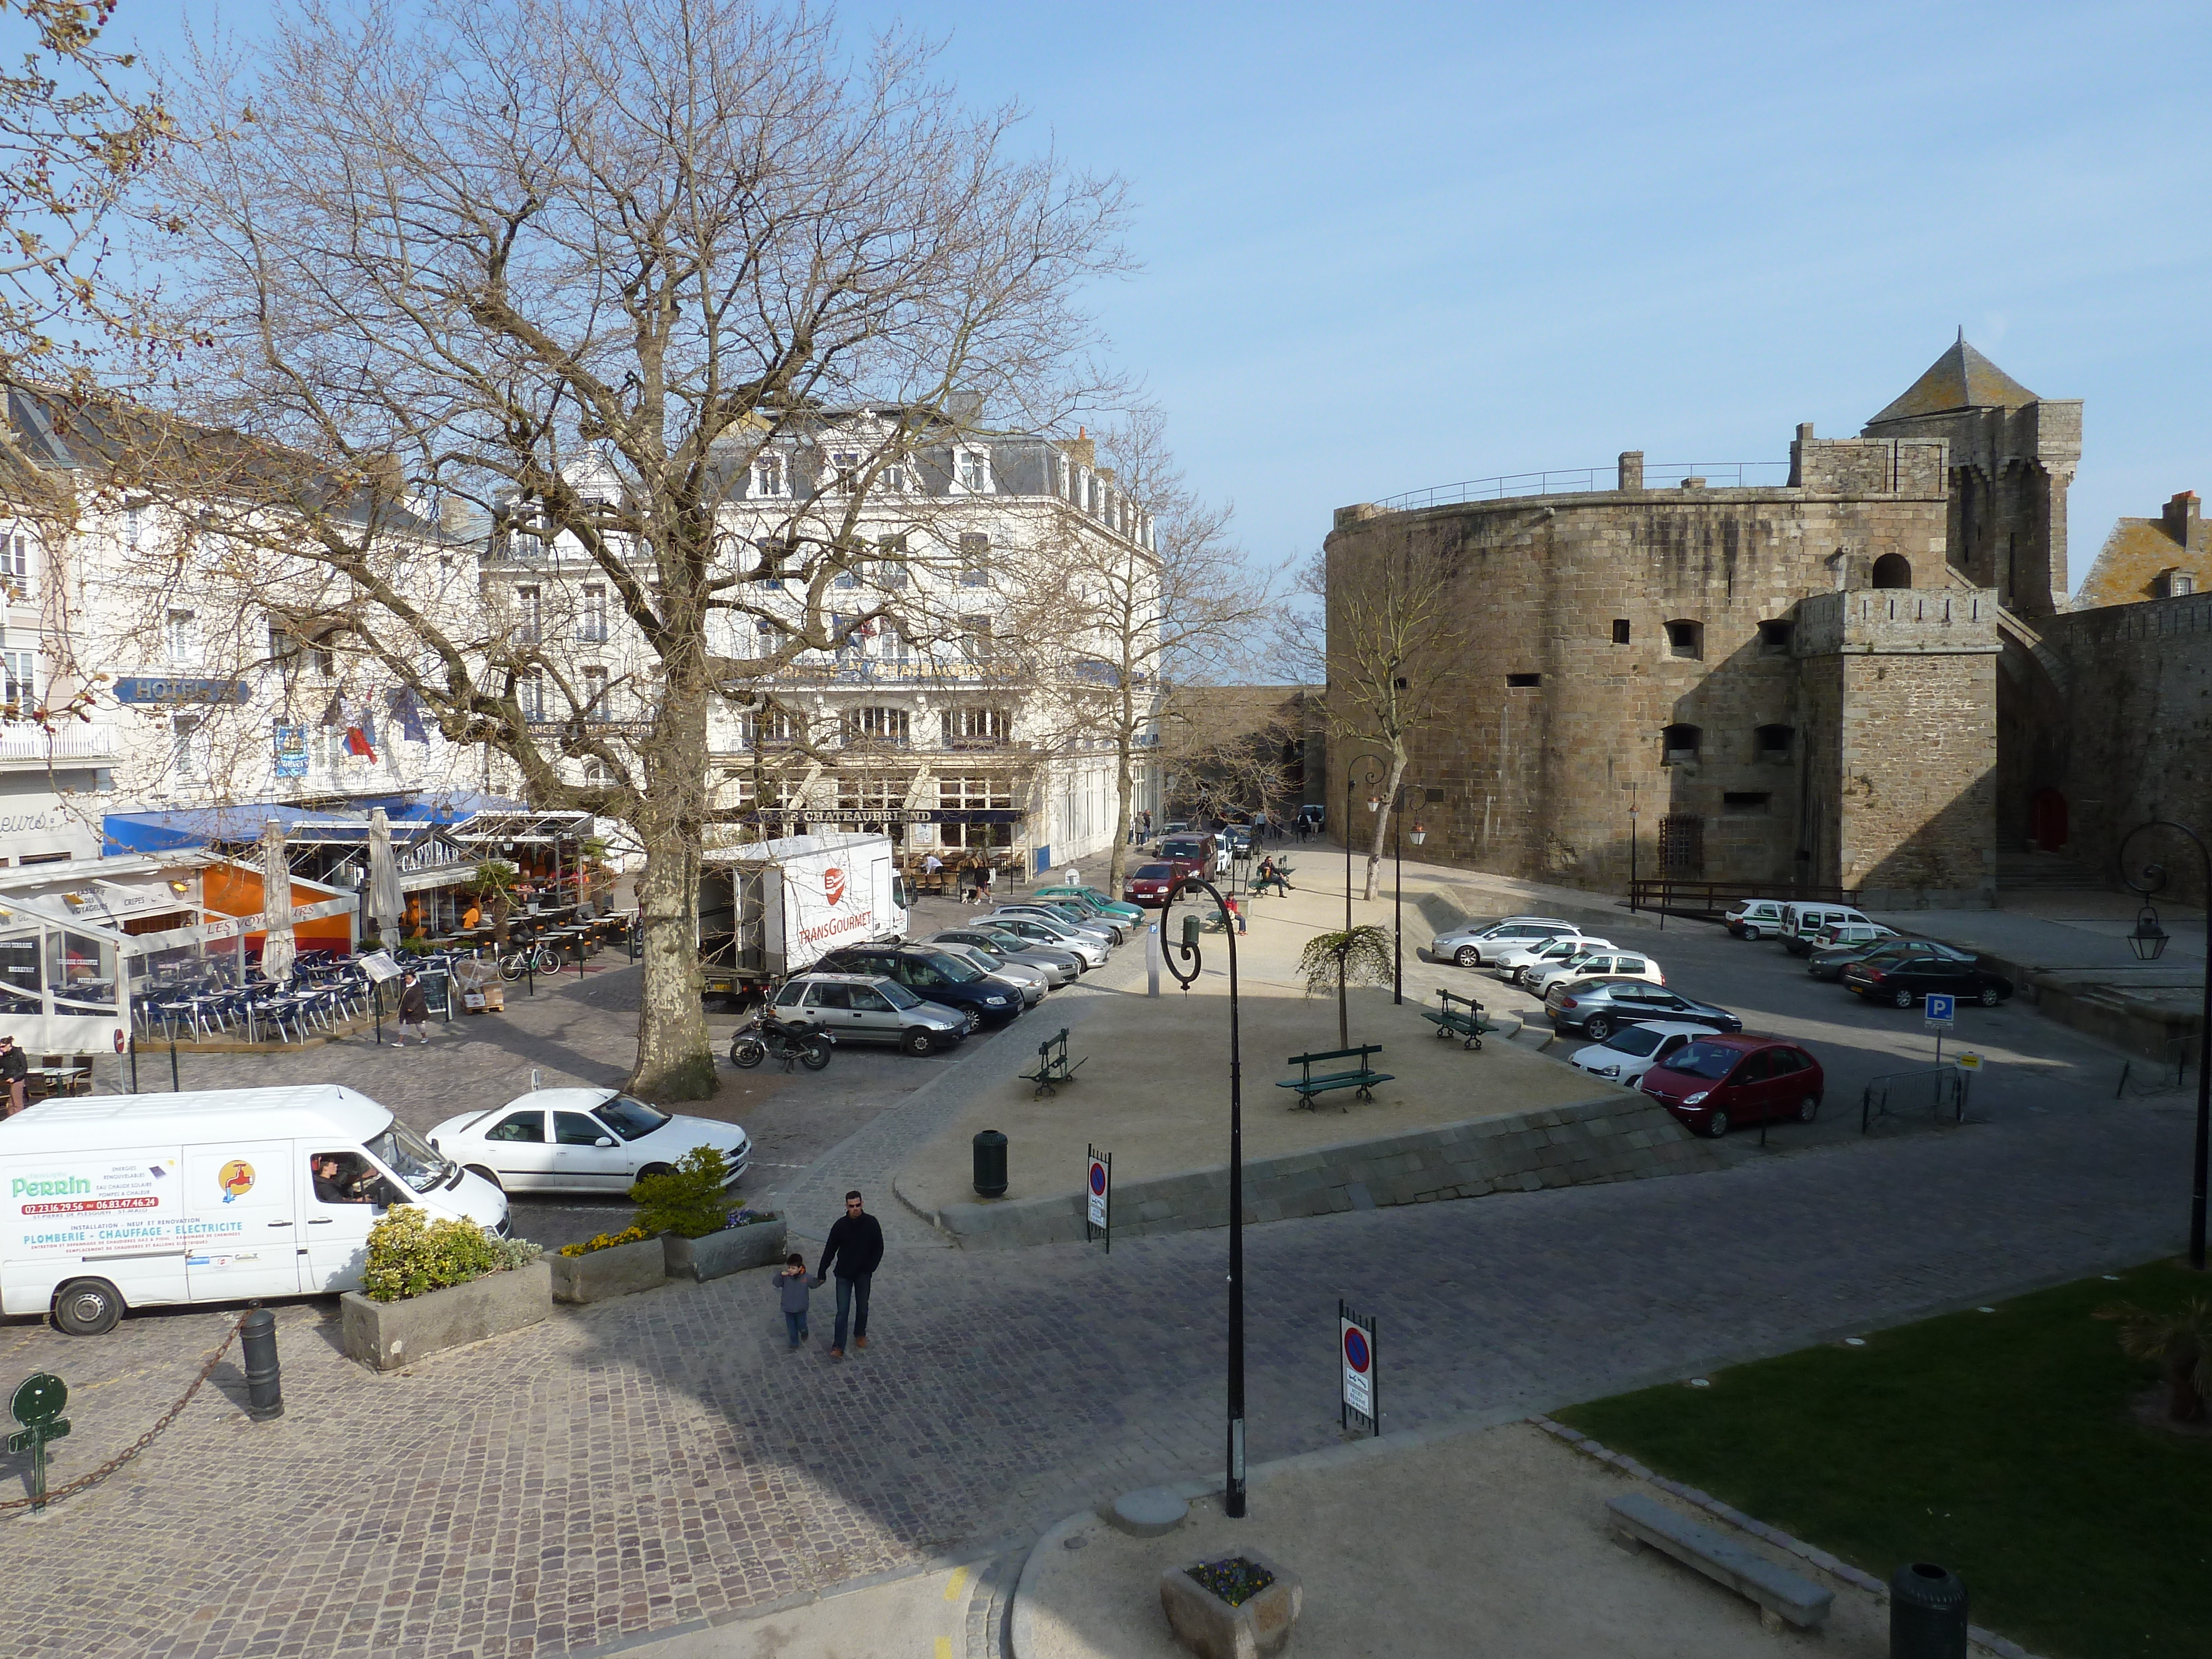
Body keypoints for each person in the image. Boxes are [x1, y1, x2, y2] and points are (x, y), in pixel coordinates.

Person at [812, 1189, 884, 1359]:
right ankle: (838, 1345)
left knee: (863, 1307)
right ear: (846, 1206)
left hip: (863, 1274)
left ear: (862, 1204)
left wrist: (870, 1268)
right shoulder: (840, 1226)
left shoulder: (872, 1223)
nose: (855, 1209)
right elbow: (830, 1250)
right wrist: (822, 1271)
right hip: (844, 1274)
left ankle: (860, 1333)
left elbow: (879, 1248)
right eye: (852, 1206)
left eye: (858, 1205)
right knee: (842, 1311)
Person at [775, 1251, 812, 1350]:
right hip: (788, 1308)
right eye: (789, 1268)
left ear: (800, 1268)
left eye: (793, 1268)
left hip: (801, 1308)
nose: (790, 1270)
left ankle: (804, 1331)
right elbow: (776, 1283)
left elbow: (814, 1284)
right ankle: (794, 1342)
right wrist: (780, 1275)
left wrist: (821, 1280)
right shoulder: (786, 1278)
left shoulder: (806, 1277)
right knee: (791, 1328)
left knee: (802, 1324)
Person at [393, 971, 431, 1047]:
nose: (407, 980)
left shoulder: (418, 987)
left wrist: (412, 1007)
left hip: (417, 1011)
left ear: (414, 979)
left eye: (409, 979)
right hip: (405, 1010)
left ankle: (424, 1037)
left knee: (420, 1025)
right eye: (406, 979)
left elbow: (419, 998)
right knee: (404, 1024)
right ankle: (400, 1042)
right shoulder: (404, 985)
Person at [0, 1035, 25, 1116]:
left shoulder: (18, 1054)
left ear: (9, 1045)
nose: (1, 1049)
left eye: (3, 1047)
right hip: (7, 1079)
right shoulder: (4, 1056)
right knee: (10, 1102)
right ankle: (11, 1117)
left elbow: (24, 1069)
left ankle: (18, 1118)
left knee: (17, 1102)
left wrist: (15, 1078)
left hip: (17, 1079)